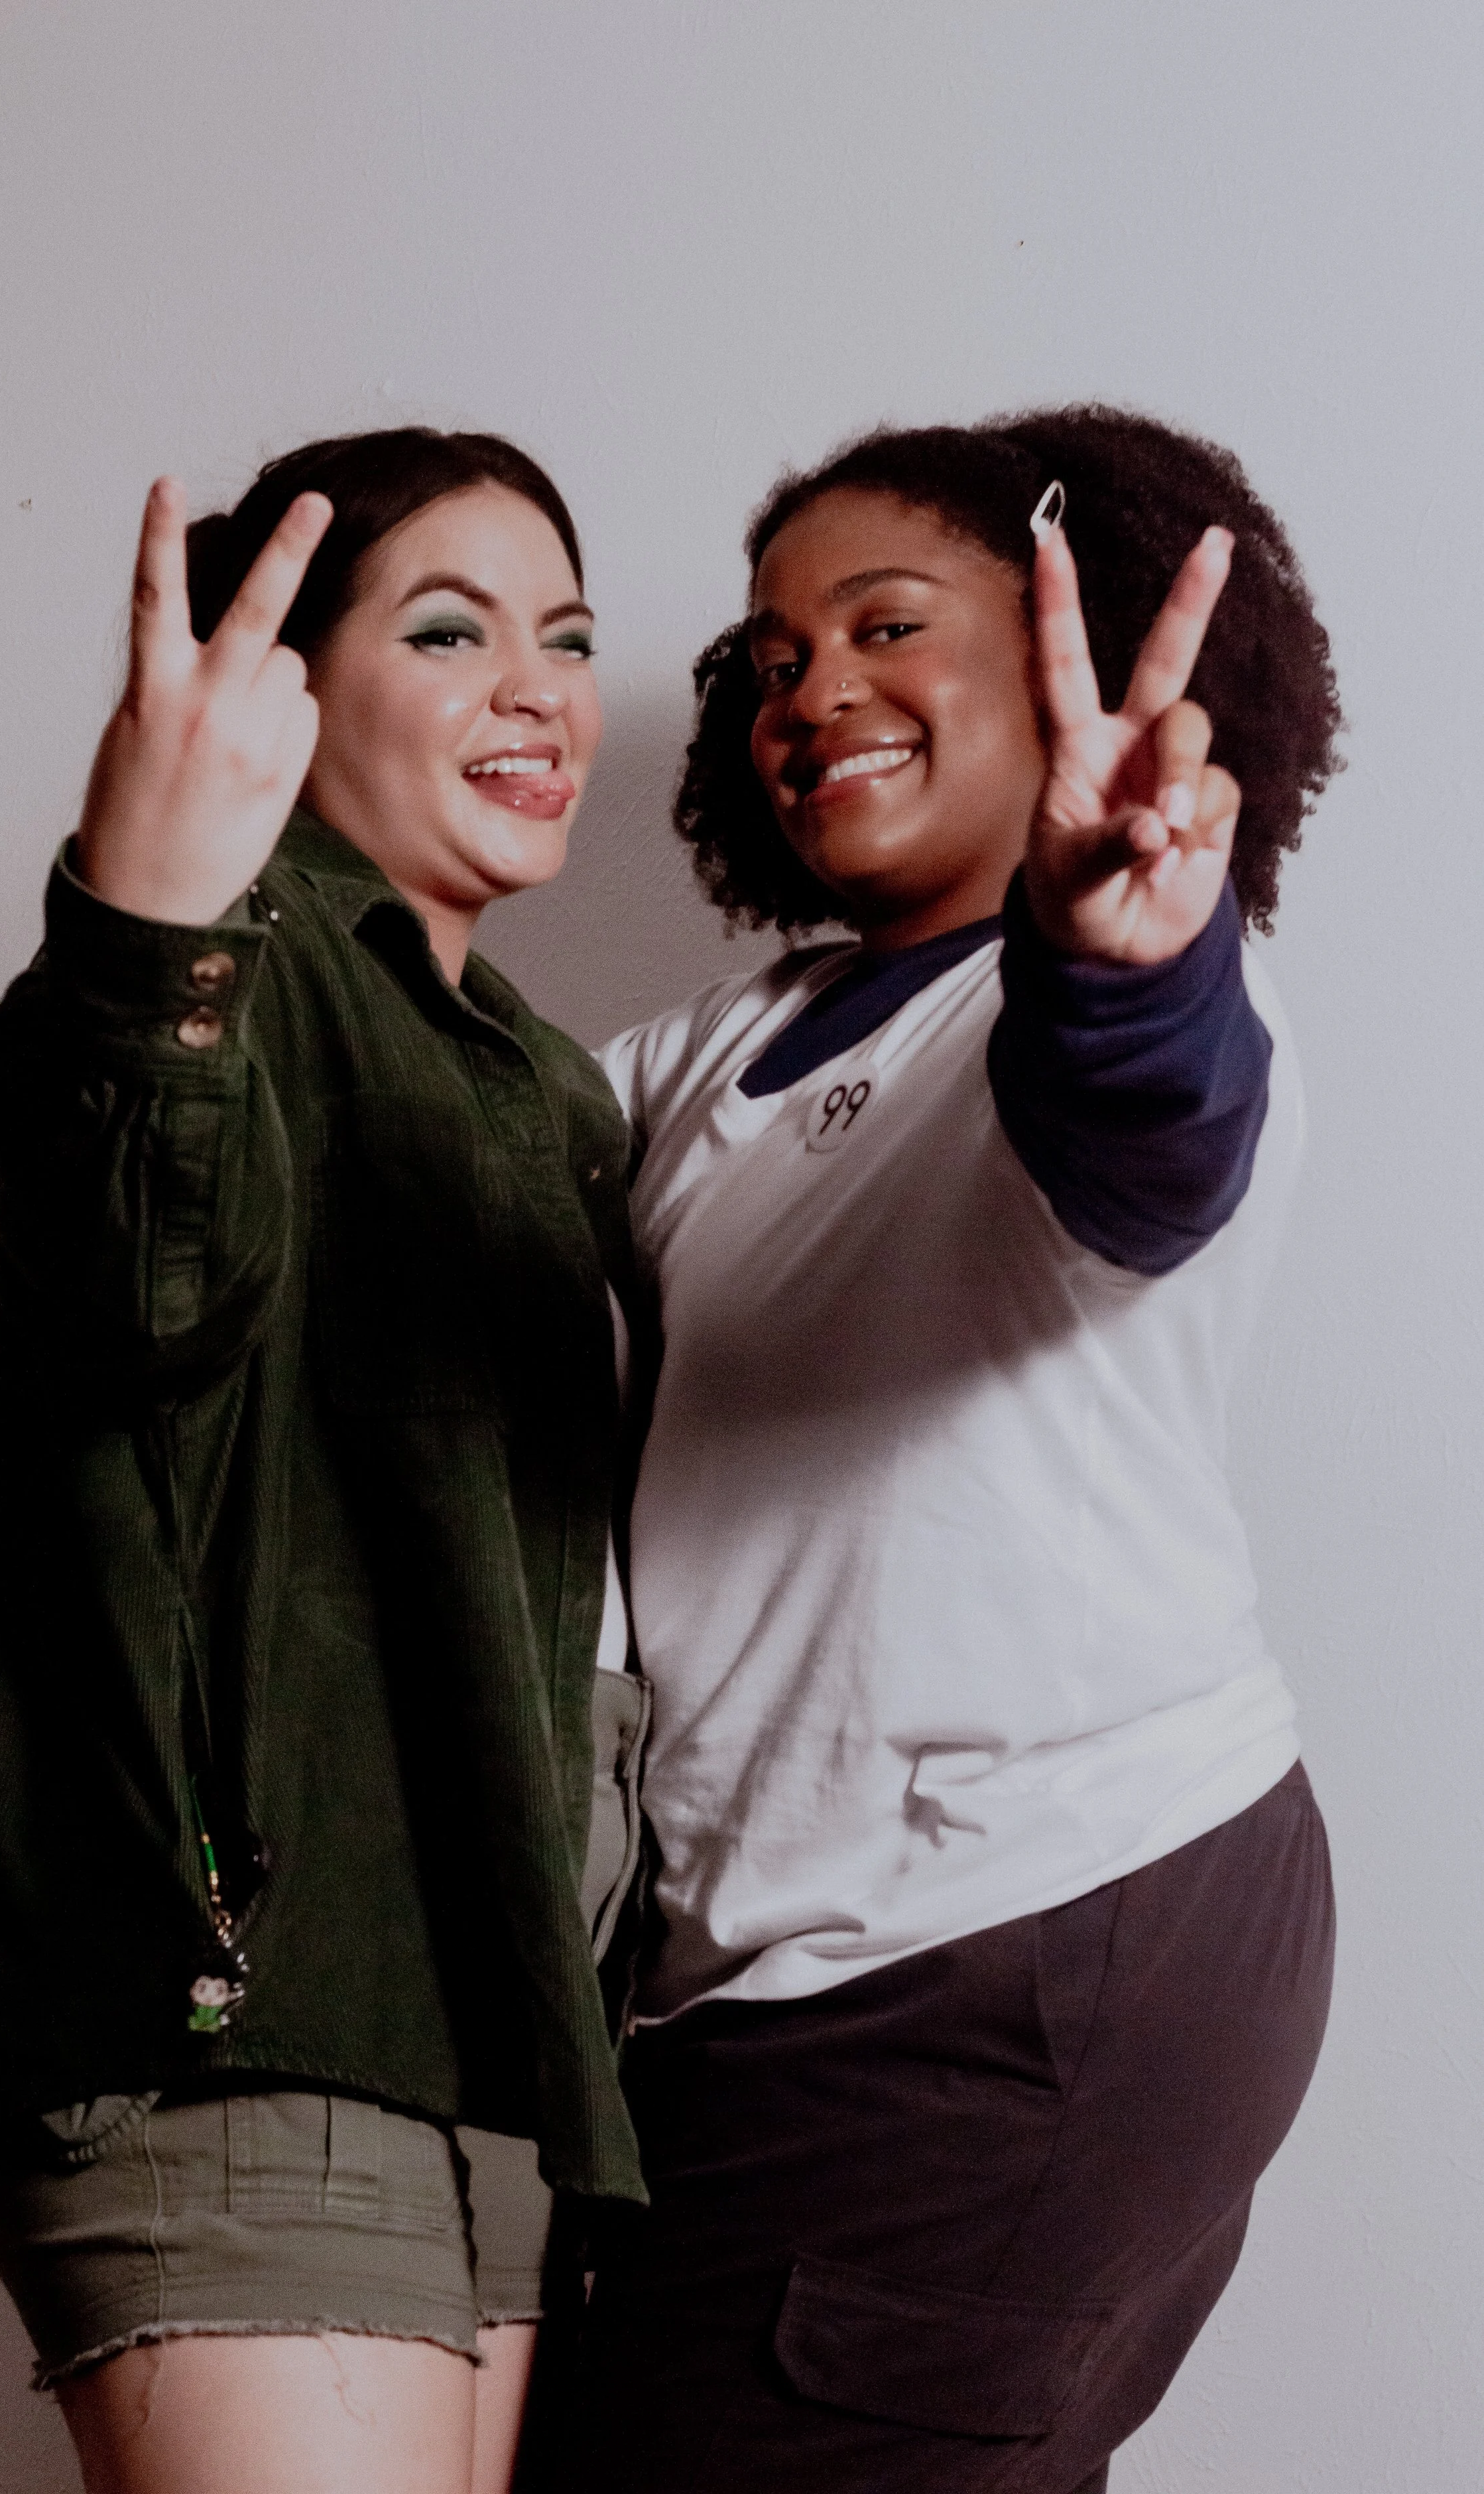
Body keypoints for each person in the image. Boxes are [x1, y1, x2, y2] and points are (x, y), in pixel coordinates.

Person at [558, 409, 1343, 2493]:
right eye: (768, 658)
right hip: (789, 1984)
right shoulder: (715, 1047)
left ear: (1067, 657)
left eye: (882, 624)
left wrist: (1119, 954)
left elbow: (1143, 1123)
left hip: (1016, 1943)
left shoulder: (1088, 997)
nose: (810, 689)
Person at [0, 427, 649, 2494]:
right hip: (237, 2004)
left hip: (476, 2031)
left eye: (566, 637)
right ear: (286, 688)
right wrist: (147, 924)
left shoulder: (545, 1085)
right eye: (450, 628)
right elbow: (135, 1282)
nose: (539, 689)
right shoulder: (237, 963)